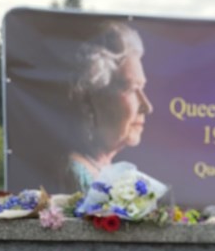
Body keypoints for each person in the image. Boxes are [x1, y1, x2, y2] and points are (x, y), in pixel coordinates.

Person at [64, 22, 154, 192]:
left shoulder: (109, 170)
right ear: (95, 98)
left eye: (142, 88)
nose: (147, 107)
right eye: (131, 89)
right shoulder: (75, 173)